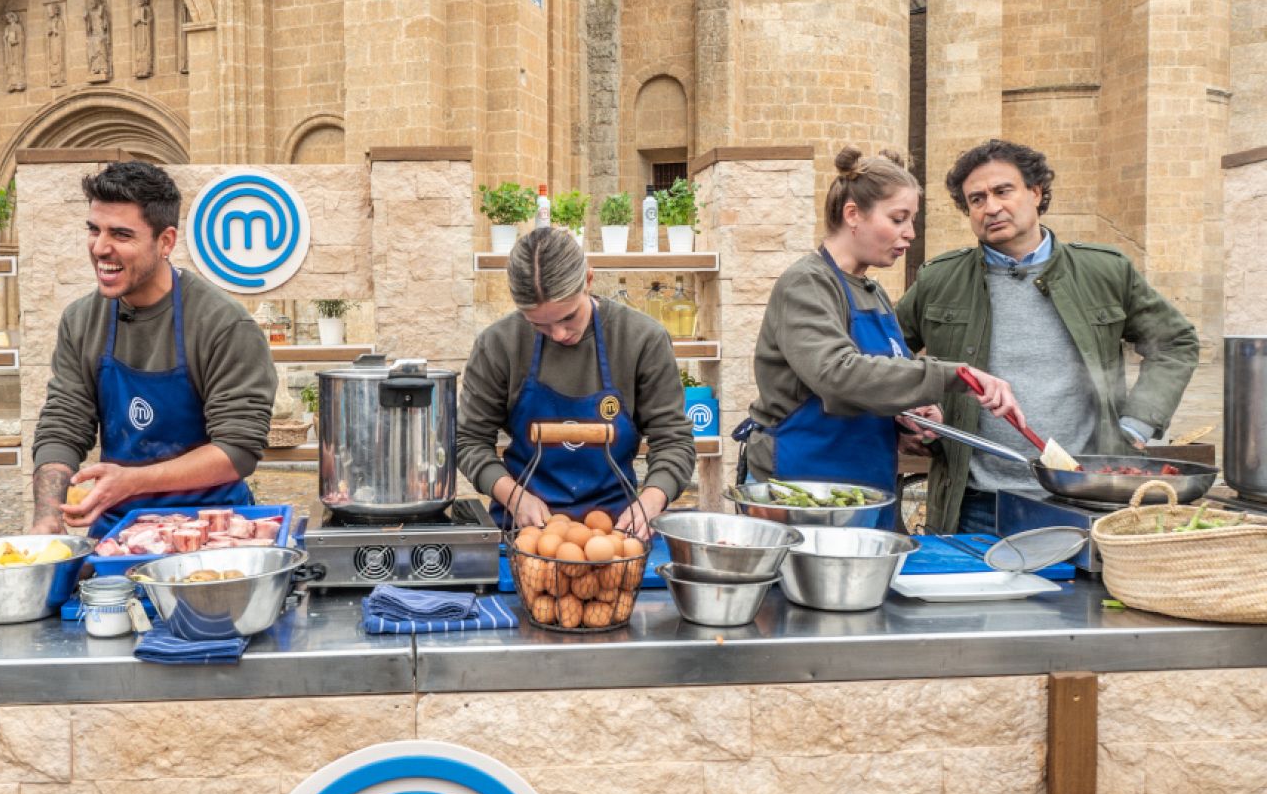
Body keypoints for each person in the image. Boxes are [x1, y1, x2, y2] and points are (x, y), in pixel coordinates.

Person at [898, 139, 1200, 534]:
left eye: (1003, 191)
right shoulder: (939, 279)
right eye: (976, 199)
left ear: (1036, 192)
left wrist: (1135, 425)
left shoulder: (1103, 272)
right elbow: (883, 353)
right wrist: (908, 414)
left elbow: (1175, 343)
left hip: (1083, 501)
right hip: (972, 501)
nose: (990, 207)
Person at [736, 148, 1021, 531]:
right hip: (802, 491)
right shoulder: (807, 284)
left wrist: (911, 414)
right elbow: (839, 375)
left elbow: (884, 379)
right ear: (853, 215)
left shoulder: (873, 292)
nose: (910, 234)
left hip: (869, 488)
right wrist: (957, 376)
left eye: (912, 220)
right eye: (898, 219)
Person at [29, 161, 275, 538]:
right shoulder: (81, 320)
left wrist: (132, 482)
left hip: (215, 531)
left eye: (121, 235)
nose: (100, 247)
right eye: (94, 230)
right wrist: (47, 518)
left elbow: (237, 449)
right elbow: (63, 427)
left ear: (166, 241)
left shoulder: (222, 324)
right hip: (119, 534)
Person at [457, 227, 695, 537]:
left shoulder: (641, 339)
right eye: (539, 325)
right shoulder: (499, 344)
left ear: (589, 280)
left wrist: (650, 501)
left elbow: (673, 440)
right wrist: (514, 497)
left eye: (569, 317)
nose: (558, 334)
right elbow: (468, 441)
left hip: (617, 531)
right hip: (523, 533)